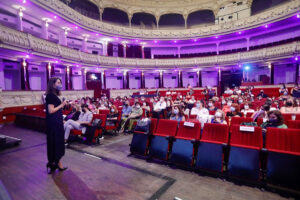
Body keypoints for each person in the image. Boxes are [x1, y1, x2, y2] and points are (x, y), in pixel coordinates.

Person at [45, 77, 67, 174]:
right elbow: (51, 111)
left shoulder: (54, 95)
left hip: (57, 121)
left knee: (57, 142)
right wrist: (61, 105)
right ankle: (54, 163)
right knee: (55, 142)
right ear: (53, 84)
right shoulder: (50, 95)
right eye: (58, 82)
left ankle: (55, 163)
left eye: (60, 82)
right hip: (53, 123)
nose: (60, 84)